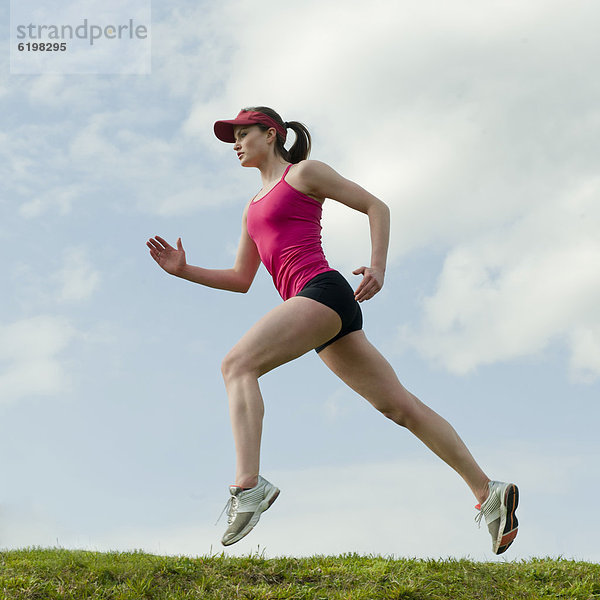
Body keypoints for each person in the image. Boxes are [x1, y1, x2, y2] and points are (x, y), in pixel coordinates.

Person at [147, 106, 519, 554]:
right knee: (399, 407)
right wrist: (184, 270)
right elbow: (241, 280)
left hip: (321, 291)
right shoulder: (251, 209)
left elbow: (374, 206)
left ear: (271, 135)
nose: (236, 144)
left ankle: (248, 485)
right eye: (233, 137)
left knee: (236, 365)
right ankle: (487, 491)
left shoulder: (304, 174)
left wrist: (378, 265)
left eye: (243, 134)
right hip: (318, 313)